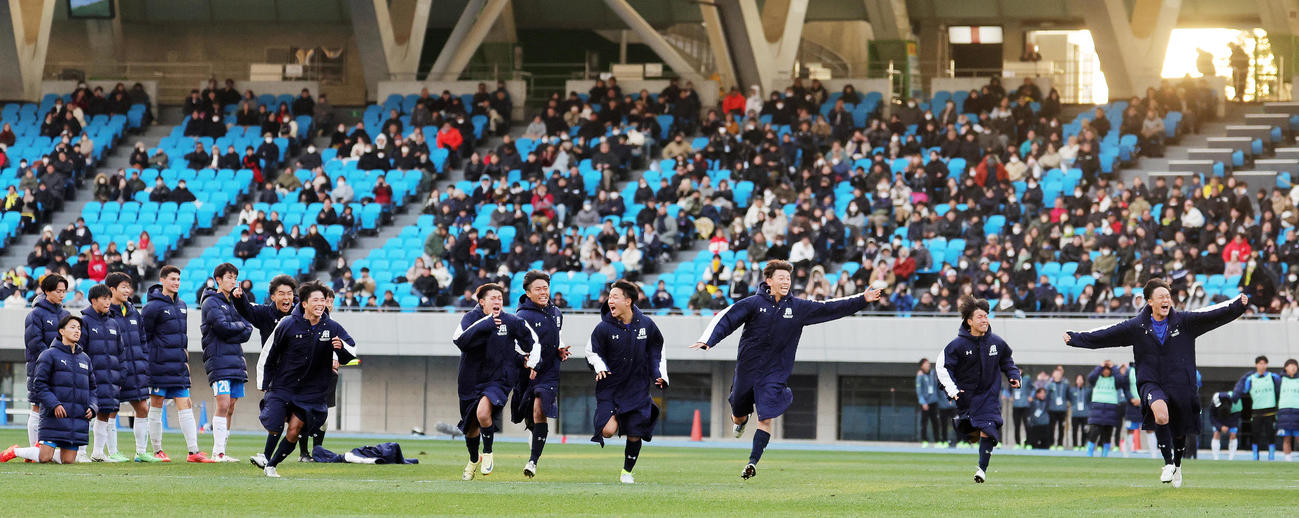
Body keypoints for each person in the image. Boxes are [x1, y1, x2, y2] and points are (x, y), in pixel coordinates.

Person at [691, 259, 882, 479]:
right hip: (747, 370)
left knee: (766, 418)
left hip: (775, 373)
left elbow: (830, 307)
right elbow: (727, 318)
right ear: (769, 281)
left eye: (788, 278)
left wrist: (862, 299)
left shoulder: (798, 307)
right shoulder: (753, 303)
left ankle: (752, 462)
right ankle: (741, 421)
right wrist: (707, 340)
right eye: (781, 278)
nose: (786, 282)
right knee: (738, 415)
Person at [1065, 279, 1248, 487]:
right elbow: (1106, 334)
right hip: (1151, 382)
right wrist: (1076, 338)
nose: (1166, 300)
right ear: (1150, 301)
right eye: (1161, 296)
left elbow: (1211, 314)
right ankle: (1168, 463)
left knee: (1180, 432)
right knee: (1161, 414)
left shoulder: (1185, 322)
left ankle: (1178, 465)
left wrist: (1237, 306)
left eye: (1168, 296)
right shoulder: (1136, 326)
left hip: (1181, 385)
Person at [251, 282, 357, 478]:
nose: (320, 304)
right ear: (305, 303)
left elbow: (352, 351)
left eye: (323, 300)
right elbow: (269, 353)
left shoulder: (332, 327)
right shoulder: (287, 324)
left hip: (311, 391)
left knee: (294, 430)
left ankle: (271, 465)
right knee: (274, 422)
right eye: (315, 300)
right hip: (284, 385)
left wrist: (340, 347)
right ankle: (266, 453)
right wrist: (264, 383)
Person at [451, 283, 537, 481]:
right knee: (471, 428)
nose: (497, 301)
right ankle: (474, 459)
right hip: (470, 380)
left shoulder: (511, 321)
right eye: (493, 298)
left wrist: (525, 357)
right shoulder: (470, 319)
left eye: (500, 298)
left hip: (498, 379)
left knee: (483, 413)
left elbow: (527, 342)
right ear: (482, 302)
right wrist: (488, 322)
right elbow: (460, 341)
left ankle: (488, 451)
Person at [586, 280, 667, 484]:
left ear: (628, 301)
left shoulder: (647, 325)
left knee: (634, 434)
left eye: (615, 297)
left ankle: (627, 472)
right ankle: (619, 416)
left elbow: (657, 350)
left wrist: (659, 374)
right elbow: (591, 352)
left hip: (637, 390)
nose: (609, 300)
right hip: (610, 390)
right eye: (609, 296)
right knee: (607, 430)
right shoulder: (602, 328)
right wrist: (600, 367)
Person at [936, 295, 1022, 483]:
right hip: (965, 397)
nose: (984, 320)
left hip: (990, 396)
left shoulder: (997, 342)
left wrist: (1014, 376)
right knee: (972, 430)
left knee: (989, 428)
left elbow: (1007, 361)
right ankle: (965, 425)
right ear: (969, 321)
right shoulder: (957, 345)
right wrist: (952, 390)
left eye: (986, 316)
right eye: (980, 317)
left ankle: (981, 470)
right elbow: (942, 367)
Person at [2, 315, 95, 464]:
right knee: (44, 457)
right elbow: (39, 384)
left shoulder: (85, 359)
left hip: (76, 418)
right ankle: (14, 451)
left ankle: (35, 452)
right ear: (61, 331)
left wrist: (93, 406)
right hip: (54, 416)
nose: (77, 331)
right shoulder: (49, 355)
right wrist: (55, 404)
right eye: (72, 327)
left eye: (79, 328)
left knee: (68, 461)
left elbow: (93, 389)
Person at [142, 265, 210, 462]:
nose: (176, 283)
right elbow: (143, 337)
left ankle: (193, 451)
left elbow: (183, 337)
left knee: (185, 403)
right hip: (158, 365)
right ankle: (157, 451)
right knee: (156, 405)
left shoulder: (182, 305)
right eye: (172, 279)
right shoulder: (152, 307)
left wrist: (185, 358)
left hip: (178, 366)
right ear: (162, 280)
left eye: (178, 280)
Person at [512, 271, 572, 478]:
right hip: (526, 373)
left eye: (545, 288)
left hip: (549, 373)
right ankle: (532, 430)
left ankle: (532, 462)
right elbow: (517, 347)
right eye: (538, 289)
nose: (543, 292)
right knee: (527, 415)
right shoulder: (521, 317)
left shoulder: (557, 313)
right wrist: (526, 361)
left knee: (540, 409)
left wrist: (560, 348)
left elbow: (558, 336)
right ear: (528, 293)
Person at [199, 262, 254, 462]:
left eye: (234, 277)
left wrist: (236, 329)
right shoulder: (211, 302)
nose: (232, 281)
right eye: (228, 277)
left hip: (236, 360)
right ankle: (217, 452)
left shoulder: (235, 303)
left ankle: (223, 450)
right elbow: (221, 327)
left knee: (231, 405)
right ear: (218, 280)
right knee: (222, 403)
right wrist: (238, 329)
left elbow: (248, 329)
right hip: (218, 359)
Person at [106, 272, 160, 462]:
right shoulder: (105, 313)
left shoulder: (133, 311)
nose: (128, 291)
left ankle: (141, 452)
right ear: (112, 289)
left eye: (129, 286)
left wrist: (144, 362)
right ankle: (112, 452)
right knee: (110, 411)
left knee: (143, 408)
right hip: (114, 372)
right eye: (123, 287)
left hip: (136, 370)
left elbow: (143, 341)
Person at [24, 274, 70, 450]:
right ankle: (34, 448)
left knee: (56, 407)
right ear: (47, 291)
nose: (62, 295)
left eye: (64, 291)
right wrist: (54, 360)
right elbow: (34, 343)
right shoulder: (35, 314)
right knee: (37, 406)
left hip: (61, 369)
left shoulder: (65, 314)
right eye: (58, 291)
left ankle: (48, 447)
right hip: (40, 369)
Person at [80, 284, 125, 462]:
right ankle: (81, 452)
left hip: (110, 378)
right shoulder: (84, 322)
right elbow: (79, 351)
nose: (108, 302)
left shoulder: (113, 323)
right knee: (86, 414)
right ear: (93, 301)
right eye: (104, 299)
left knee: (105, 413)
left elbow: (121, 352)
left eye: (109, 298)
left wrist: (121, 375)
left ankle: (98, 452)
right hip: (89, 378)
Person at [1233, 355, 1282, 461]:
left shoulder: (1273, 377)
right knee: (1255, 434)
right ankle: (1255, 456)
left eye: (1264, 363)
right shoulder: (1250, 379)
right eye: (1260, 363)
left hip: (1270, 412)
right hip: (1256, 412)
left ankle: (1271, 456)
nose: (1262, 365)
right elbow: (1245, 390)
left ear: (1267, 365)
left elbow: (1279, 390)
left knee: (1270, 435)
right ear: (1256, 365)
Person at [232, 274, 298, 345]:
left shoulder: (300, 315)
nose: (286, 297)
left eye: (289, 294)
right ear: (273, 297)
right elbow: (246, 310)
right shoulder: (265, 314)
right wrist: (239, 298)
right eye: (281, 294)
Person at [1084, 360, 1127, 458]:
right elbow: (1090, 378)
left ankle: (1105, 454)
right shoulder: (1096, 379)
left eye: (1108, 369)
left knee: (1108, 432)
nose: (1106, 371)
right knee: (1094, 431)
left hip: (1111, 408)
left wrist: (1114, 367)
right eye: (1104, 369)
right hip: (1097, 408)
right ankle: (1089, 452)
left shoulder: (1114, 379)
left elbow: (1121, 381)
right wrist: (1100, 366)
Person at [1209, 389, 1242, 460]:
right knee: (1216, 433)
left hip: (1231, 419)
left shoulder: (1236, 403)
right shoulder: (1214, 402)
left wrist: (1229, 426)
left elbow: (1236, 417)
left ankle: (1231, 458)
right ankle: (1216, 458)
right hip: (1218, 419)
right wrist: (1220, 427)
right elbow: (1212, 417)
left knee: (1233, 434)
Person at [1276, 359, 1299, 461]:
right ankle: (1287, 459)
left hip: (1297, 411)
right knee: (1286, 437)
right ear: (1286, 367)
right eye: (1291, 365)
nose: (1293, 367)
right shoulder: (1279, 380)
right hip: (1284, 412)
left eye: (1295, 366)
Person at [915, 358, 940, 447]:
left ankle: (937, 441)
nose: (928, 365)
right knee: (924, 423)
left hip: (934, 402)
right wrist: (923, 402)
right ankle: (924, 440)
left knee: (935, 422)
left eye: (929, 363)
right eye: (926, 364)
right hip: (925, 403)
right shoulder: (920, 375)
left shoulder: (933, 373)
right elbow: (919, 391)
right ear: (922, 366)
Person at [1044, 366, 1070, 450]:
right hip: (1052, 409)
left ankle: (1060, 444)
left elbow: (1068, 396)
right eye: (1056, 374)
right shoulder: (1049, 385)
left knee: (1061, 428)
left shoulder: (1065, 384)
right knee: (1051, 428)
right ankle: (1051, 443)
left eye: (1059, 374)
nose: (1058, 375)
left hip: (1062, 410)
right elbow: (1046, 397)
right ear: (1053, 375)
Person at [1067, 374, 1090, 452]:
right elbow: (1069, 398)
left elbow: (1090, 400)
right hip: (1075, 413)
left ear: (1083, 381)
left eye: (1081, 379)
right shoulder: (1072, 390)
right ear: (1076, 381)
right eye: (1078, 379)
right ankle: (1075, 445)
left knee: (1085, 430)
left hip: (1085, 413)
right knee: (1075, 430)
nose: (1080, 381)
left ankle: (1083, 445)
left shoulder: (1087, 390)